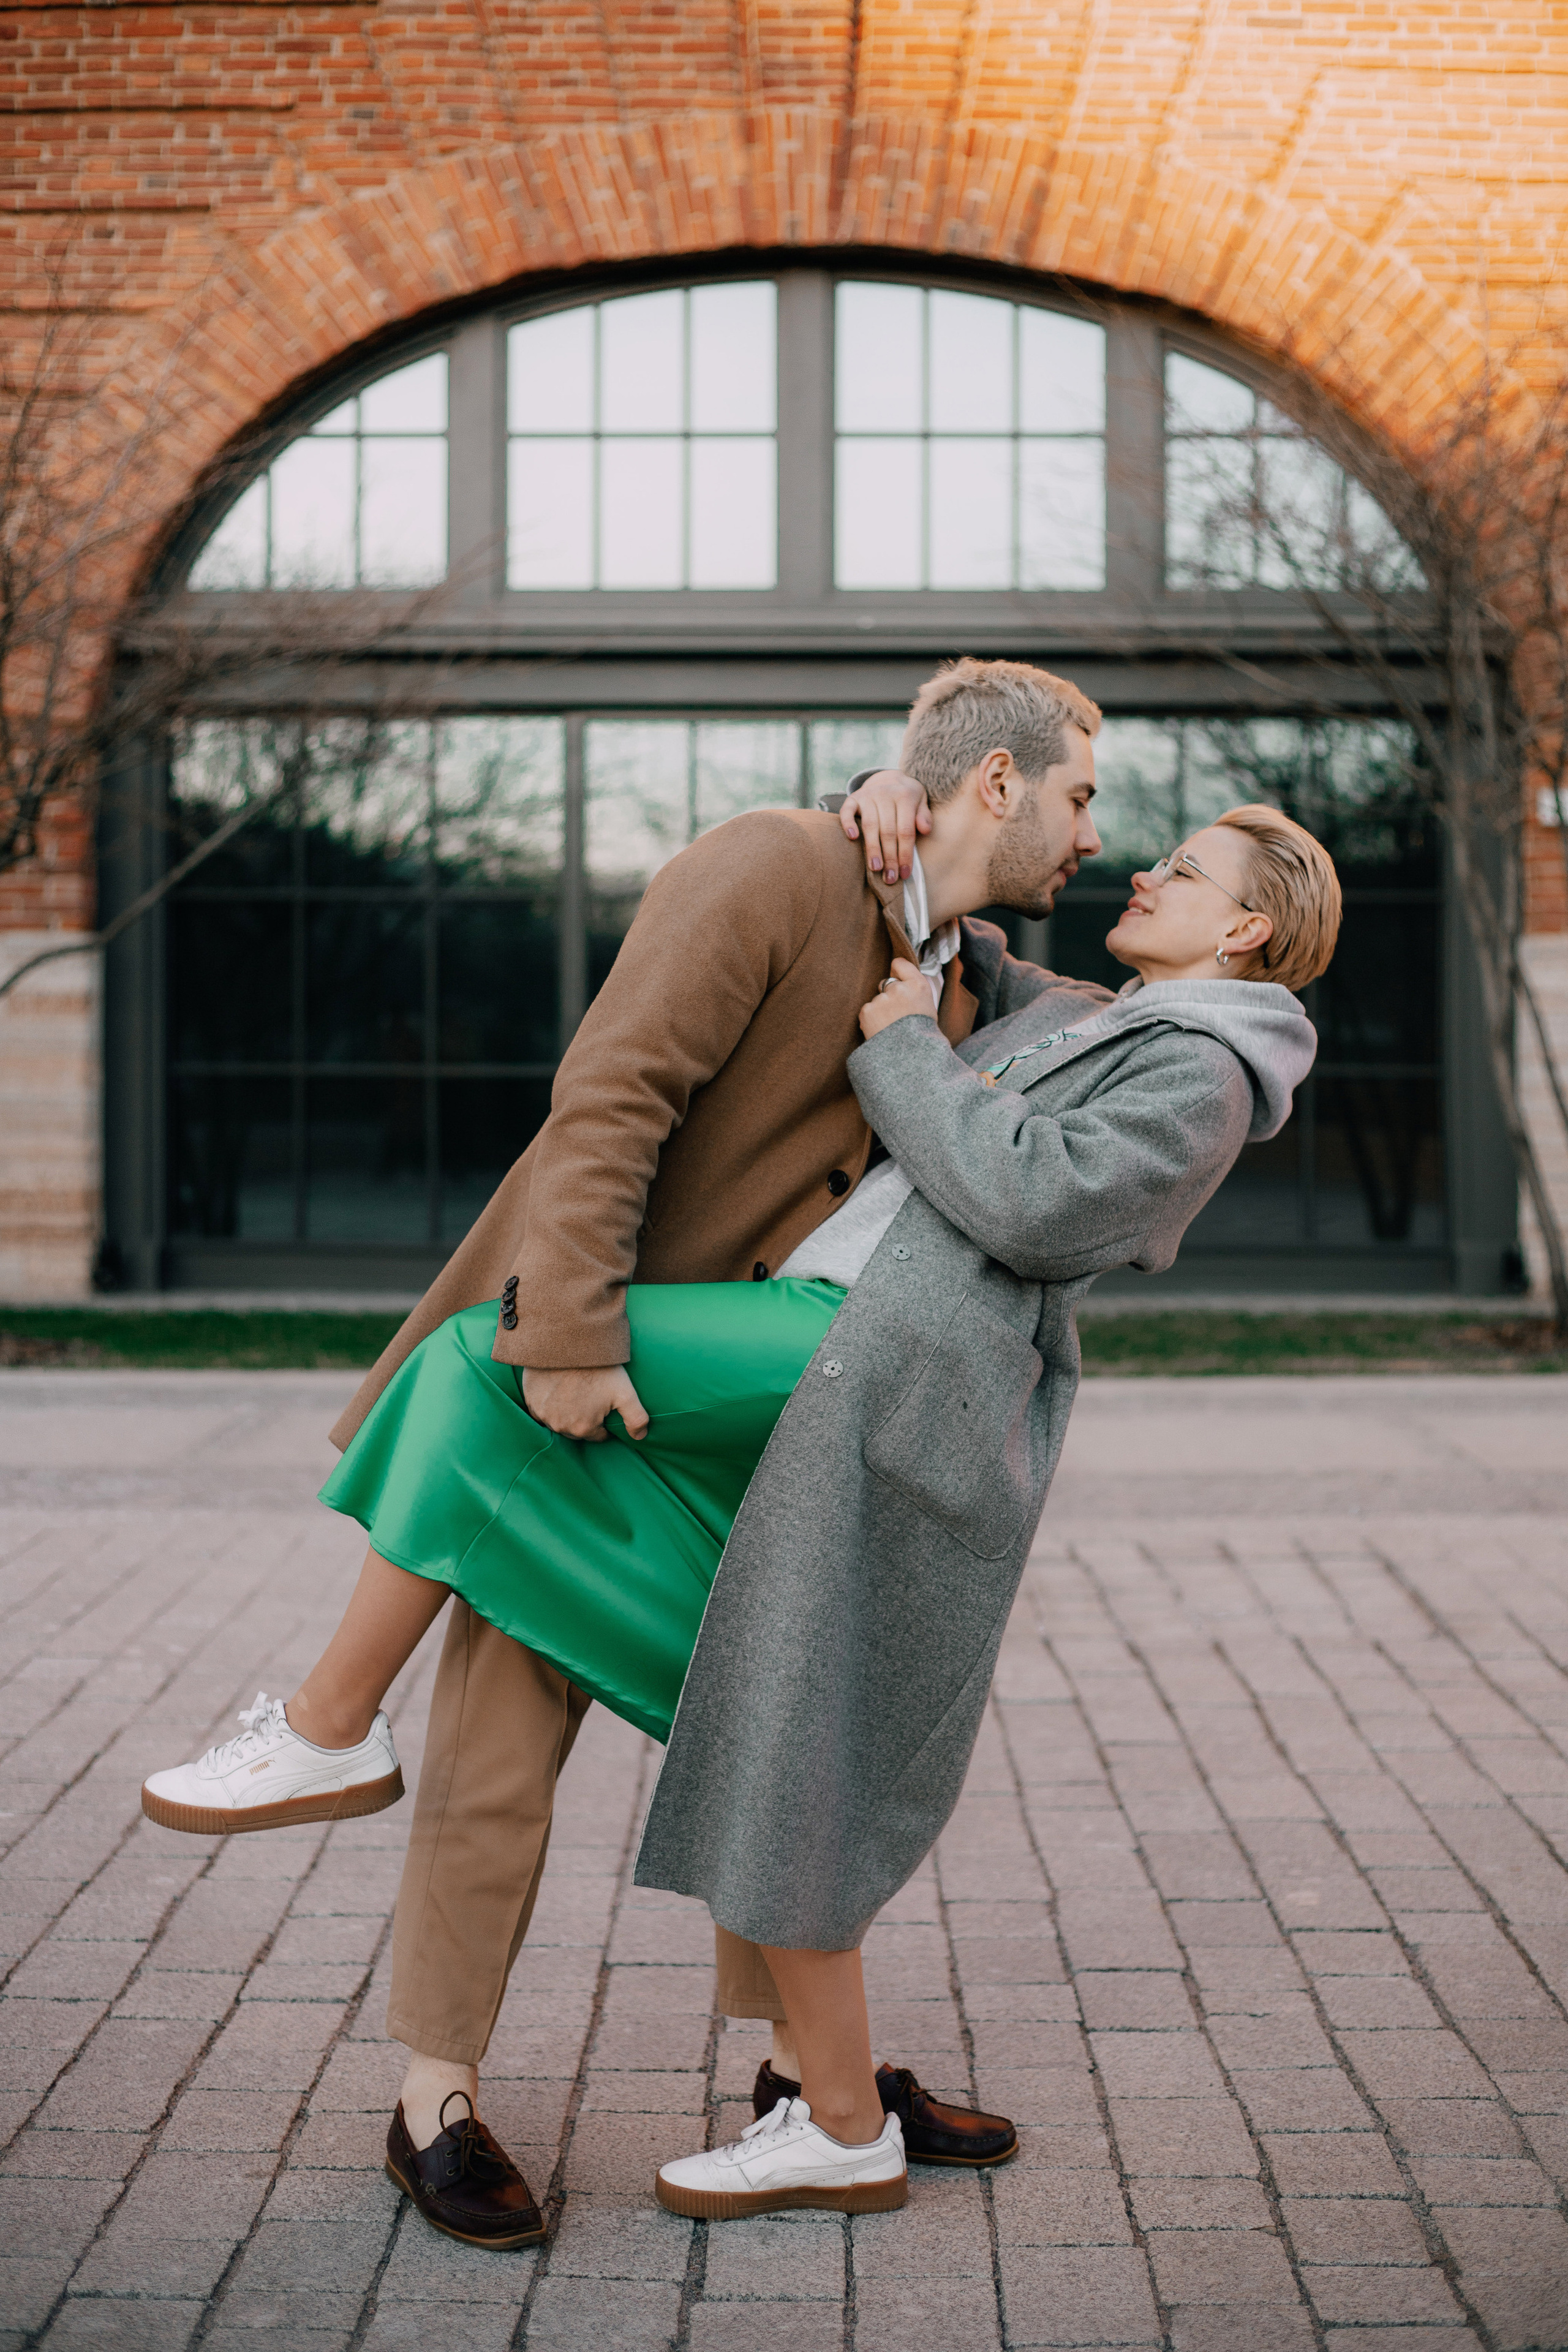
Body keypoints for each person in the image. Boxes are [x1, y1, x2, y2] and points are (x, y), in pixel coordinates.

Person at [141, 657, 1107, 2244]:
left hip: (763, 1425)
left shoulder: (955, 965)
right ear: (994, 784)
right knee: (504, 1740)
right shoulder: (777, 865)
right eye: (1079, 791)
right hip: (611, 1390)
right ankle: (431, 2102)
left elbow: (1078, 1042)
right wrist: (575, 1343)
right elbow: (610, 1096)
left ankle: (812, 2075)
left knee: (783, 1738)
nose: (1094, 831)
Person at [640, 792, 1338, 2217]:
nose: (1143, 867)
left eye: (1184, 869)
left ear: (1246, 927)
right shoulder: (1091, 1013)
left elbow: (1024, 1200)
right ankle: (824, 2096)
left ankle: (837, 2126)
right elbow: (946, 933)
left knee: (804, 1735)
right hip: (847, 1365)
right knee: (782, 1719)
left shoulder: (1201, 1077)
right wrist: (895, 800)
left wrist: (898, 1047)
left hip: (906, 1408)